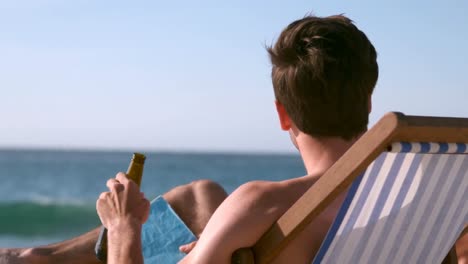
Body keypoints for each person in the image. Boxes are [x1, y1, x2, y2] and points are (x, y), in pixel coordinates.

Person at [0, 14, 464, 264]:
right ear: (367, 102)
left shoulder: (262, 204)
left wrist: (124, 229)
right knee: (202, 197)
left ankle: (37, 258)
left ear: (283, 116)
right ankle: (40, 257)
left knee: (190, 208)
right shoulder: (431, 199)